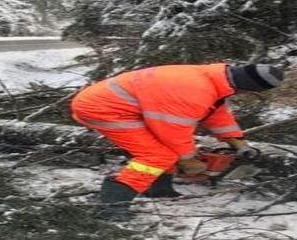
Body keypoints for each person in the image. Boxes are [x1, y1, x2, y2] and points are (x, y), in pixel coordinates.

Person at [70, 62, 285, 212]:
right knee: (156, 156)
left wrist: (236, 141)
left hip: (123, 106)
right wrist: (188, 160)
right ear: (246, 88)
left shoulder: (215, 79)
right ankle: (111, 207)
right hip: (102, 108)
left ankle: (159, 190)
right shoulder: (194, 90)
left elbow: (215, 113)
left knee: (166, 150)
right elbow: (172, 131)